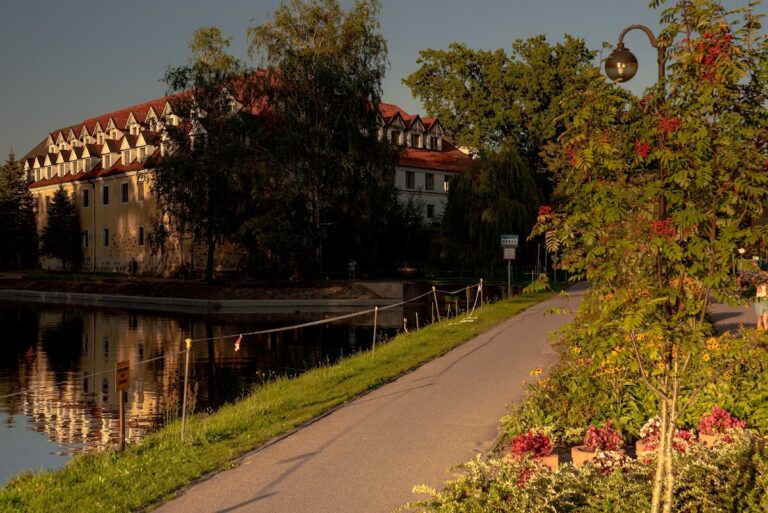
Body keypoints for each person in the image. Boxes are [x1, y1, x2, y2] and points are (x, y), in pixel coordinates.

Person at [755, 259, 768, 330]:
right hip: (766, 300)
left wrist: (757, 268)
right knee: (765, 321)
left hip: (759, 301)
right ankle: (766, 335)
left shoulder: (758, 286)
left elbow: (754, 279)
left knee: (759, 320)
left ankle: (760, 336)